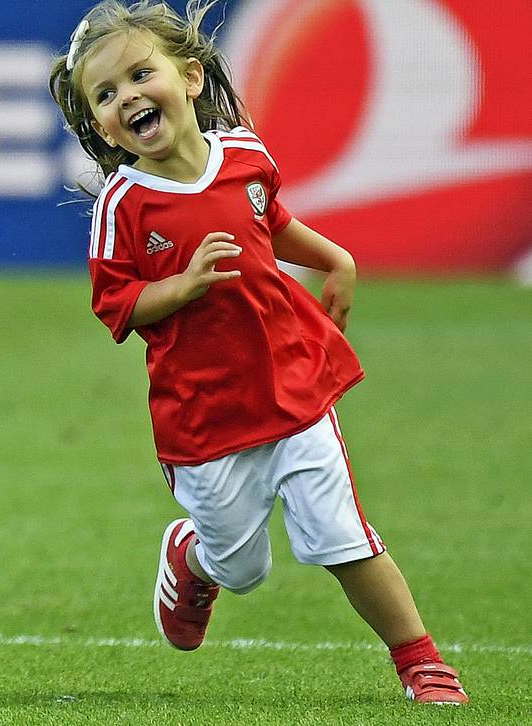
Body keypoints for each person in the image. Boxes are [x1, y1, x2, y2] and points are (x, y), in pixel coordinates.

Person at [48, 0, 466, 705]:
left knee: (343, 536)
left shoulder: (243, 155)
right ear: (98, 125)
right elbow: (115, 305)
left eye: (139, 74)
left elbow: (271, 223)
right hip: (205, 418)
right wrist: (180, 286)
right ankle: (193, 557)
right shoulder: (124, 205)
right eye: (106, 95)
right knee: (242, 569)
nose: (128, 98)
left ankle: (421, 662)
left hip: (293, 385)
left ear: (188, 77)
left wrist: (335, 256)